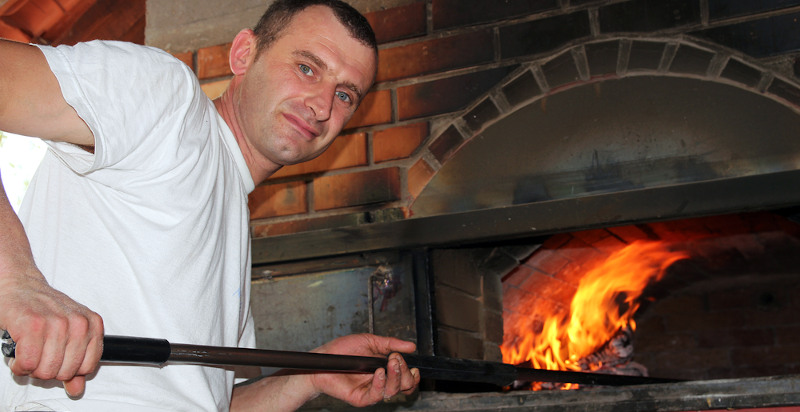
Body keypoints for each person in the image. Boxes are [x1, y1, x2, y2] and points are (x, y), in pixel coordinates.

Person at [0, 0, 420, 410]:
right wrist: (15, 285)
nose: (322, 106)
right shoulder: (166, 100)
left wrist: (312, 375)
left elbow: (215, 401)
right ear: (243, 53)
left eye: (345, 95)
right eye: (307, 68)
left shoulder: (232, 219)